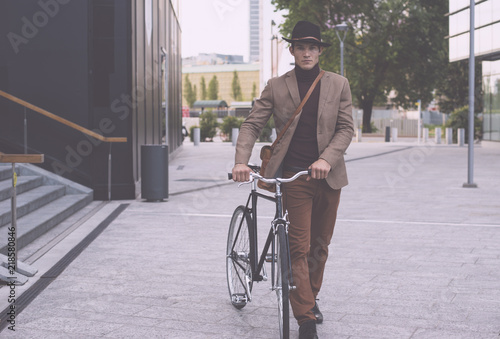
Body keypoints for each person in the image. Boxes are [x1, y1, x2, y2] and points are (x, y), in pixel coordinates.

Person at [232, 20, 354, 339]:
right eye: (301, 47)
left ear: (319, 51)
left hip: (328, 177)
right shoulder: (276, 85)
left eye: (313, 47)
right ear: (293, 50)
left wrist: (326, 159)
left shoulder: (338, 84)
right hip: (293, 177)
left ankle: (309, 298)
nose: (307, 52)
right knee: (298, 248)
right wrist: (241, 162)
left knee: (320, 245)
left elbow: (345, 129)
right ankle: (305, 319)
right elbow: (251, 125)